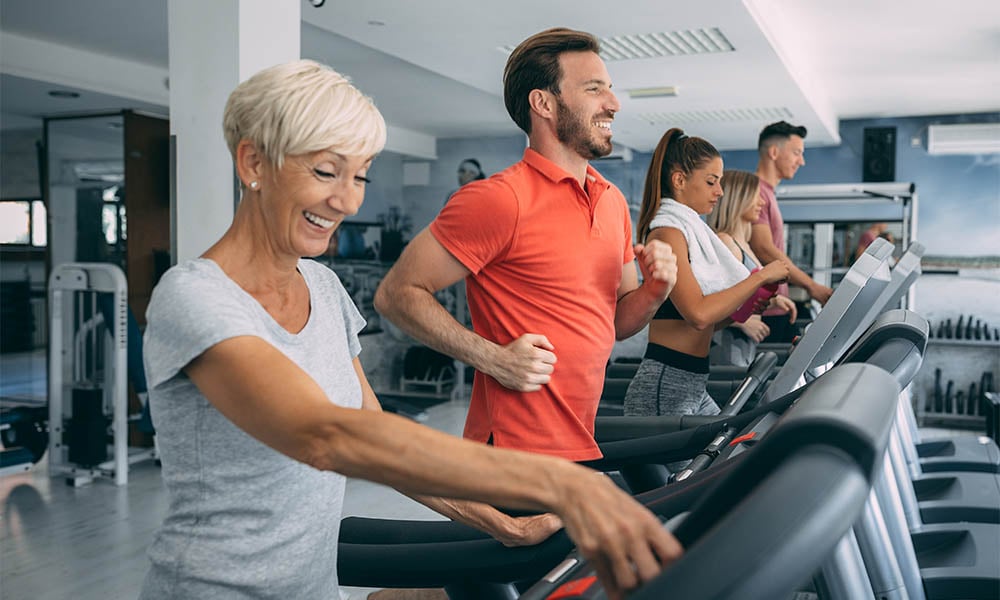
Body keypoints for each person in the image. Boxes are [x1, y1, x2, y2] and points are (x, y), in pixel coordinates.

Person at [139, 59, 680, 600]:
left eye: (360, 177)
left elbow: (372, 427)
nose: (348, 201)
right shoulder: (195, 298)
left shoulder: (323, 289)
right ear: (253, 161)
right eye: (327, 172)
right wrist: (559, 481)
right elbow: (327, 436)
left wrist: (499, 522)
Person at [623, 129, 789, 422]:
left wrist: (750, 304)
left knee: (727, 458)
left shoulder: (693, 232)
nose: (719, 191)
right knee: (704, 467)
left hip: (692, 383)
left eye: (720, 182)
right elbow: (698, 315)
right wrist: (758, 278)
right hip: (665, 384)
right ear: (679, 180)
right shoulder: (667, 233)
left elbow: (708, 324)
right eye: (711, 182)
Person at [750, 120, 833, 342]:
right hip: (762, 313)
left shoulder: (767, 193)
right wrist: (811, 286)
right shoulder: (756, 192)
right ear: (774, 152)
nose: (802, 161)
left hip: (777, 306)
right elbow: (763, 248)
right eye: (797, 153)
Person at [707, 170, 798, 366]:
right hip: (726, 347)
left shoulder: (744, 244)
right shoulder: (725, 241)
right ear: (738, 198)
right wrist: (741, 322)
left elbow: (742, 295)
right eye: (756, 197)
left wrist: (771, 302)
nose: (762, 203)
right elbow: (711, 302)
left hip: (743, 348)